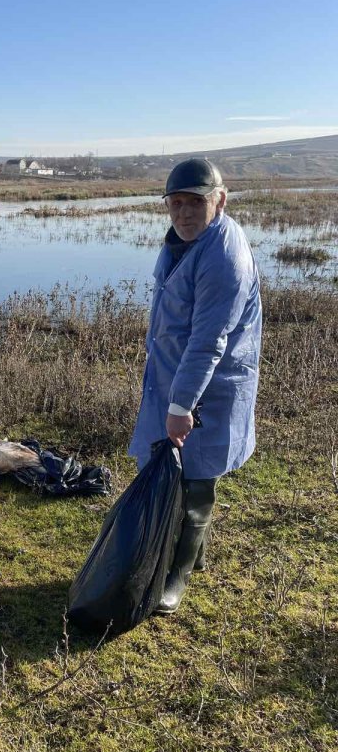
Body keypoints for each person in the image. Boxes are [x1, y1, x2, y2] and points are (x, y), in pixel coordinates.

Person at [129, 158, 262, 614]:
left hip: (211, 388)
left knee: (198, 478)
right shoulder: (179, 243)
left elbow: (209, 341)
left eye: (196, 202)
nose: (184, 213)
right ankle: (191, 553)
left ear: (219, 200)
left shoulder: (224, 256)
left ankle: (179, 574)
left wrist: (182, 404)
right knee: (172, 475)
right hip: (173, 377)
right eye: (176, 203)